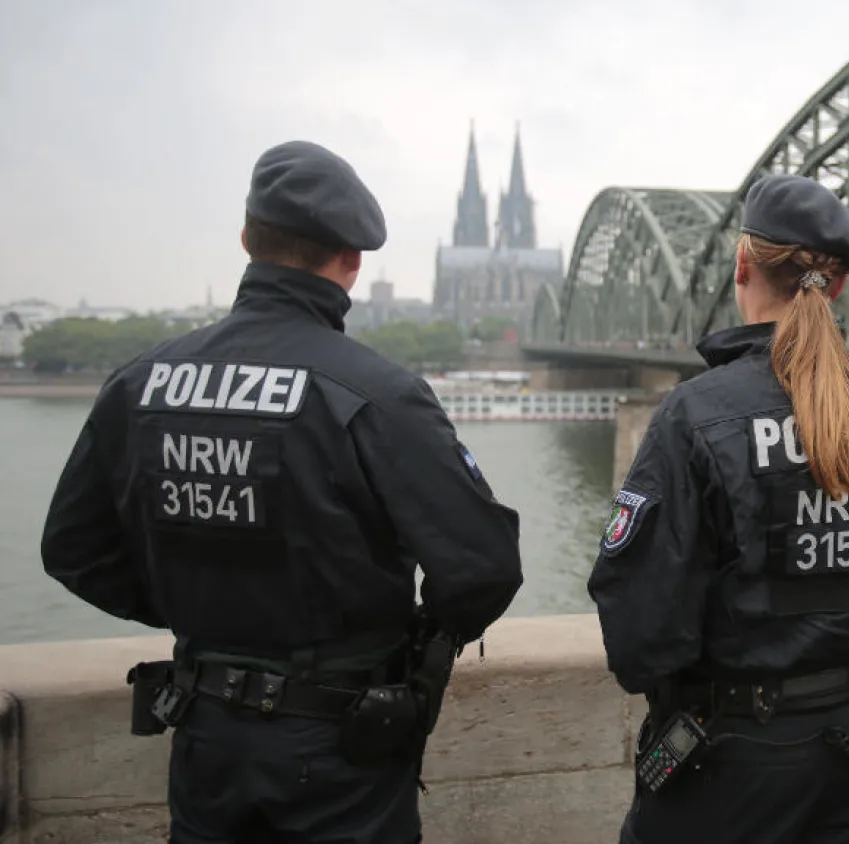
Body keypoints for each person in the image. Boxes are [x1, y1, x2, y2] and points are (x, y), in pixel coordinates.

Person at [40, 140, 525, 844]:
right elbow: (484, 566)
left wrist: (198, 607)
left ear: (246, 239)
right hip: (342, 746)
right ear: (353, 259)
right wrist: (404, 641)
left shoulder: (141, 381)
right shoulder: (378, 393)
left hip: (204, 733)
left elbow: (73, 549)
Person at [587, 173, 849, 844]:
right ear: (839, 285)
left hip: (730, 758)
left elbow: (641, 636)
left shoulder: (696, 415)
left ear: (743, 264)